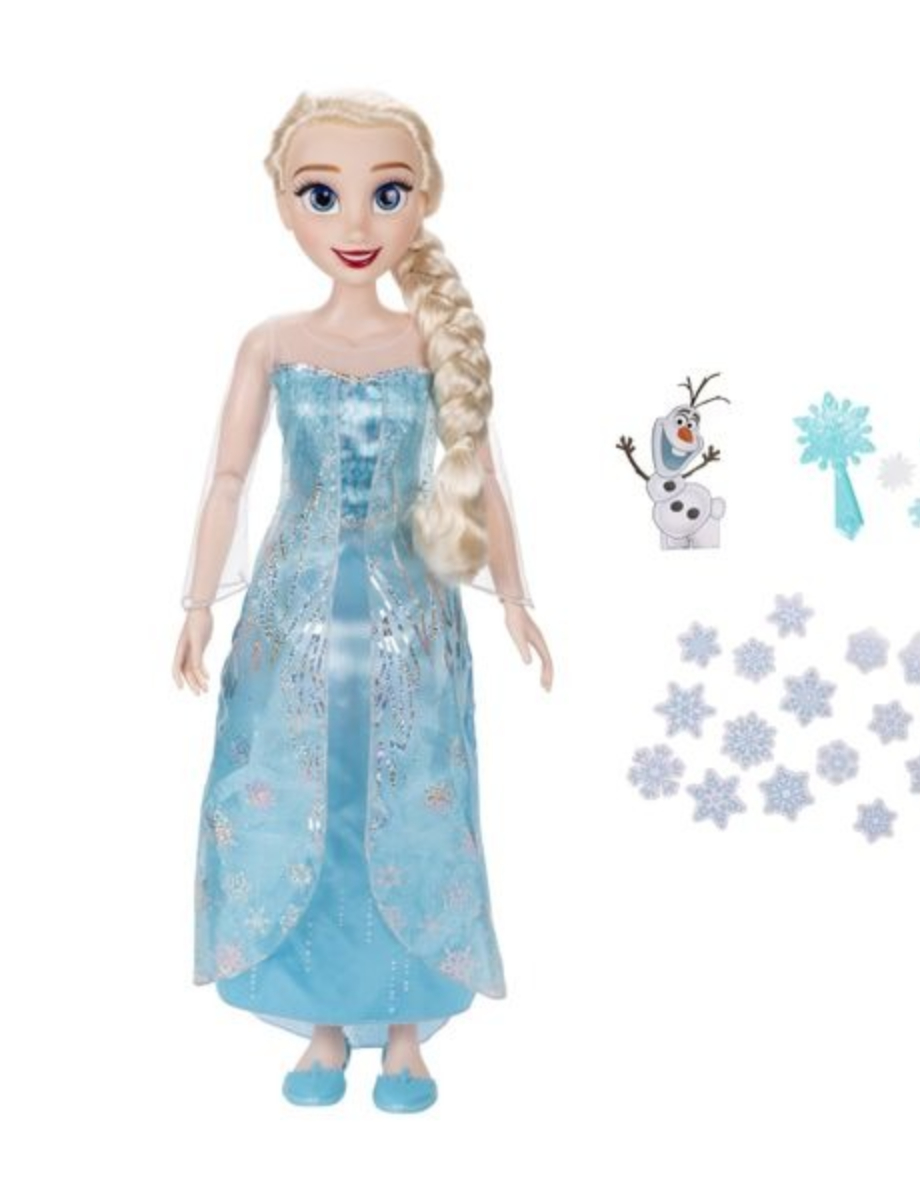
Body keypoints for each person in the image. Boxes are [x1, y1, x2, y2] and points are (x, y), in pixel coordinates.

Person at [171, 89, 553, 1111]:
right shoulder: (271, 342)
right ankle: (324, 1024)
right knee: (295, 803)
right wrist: (199, 604)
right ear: (284, 207)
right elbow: (227, 480)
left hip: (409, 621)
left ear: (425, 200)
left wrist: (515, 597)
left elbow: (482, 480)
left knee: (413, 802)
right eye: (321, 195)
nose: (354, 222)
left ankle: (407, 1027)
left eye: (386, 194)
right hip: (289, 623)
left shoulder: (432, 344)